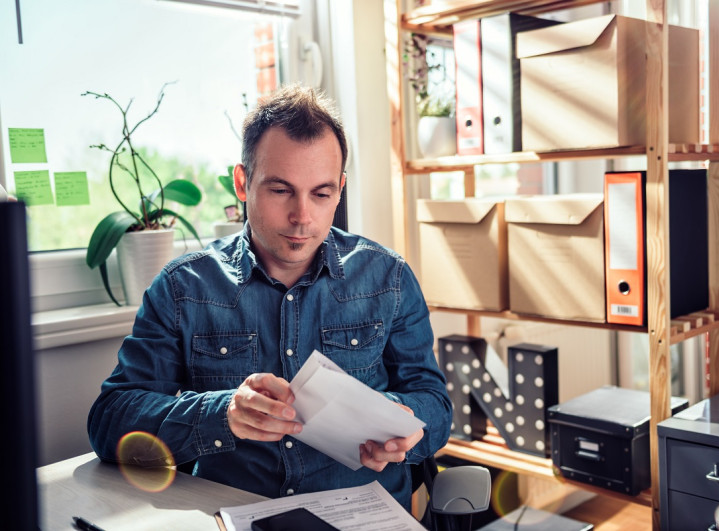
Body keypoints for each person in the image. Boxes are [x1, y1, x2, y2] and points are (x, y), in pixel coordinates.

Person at [87, 83, 452, 511]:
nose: (302, 216)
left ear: (340, 187)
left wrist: (401, 422)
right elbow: (110, 420)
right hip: (234, 515)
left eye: (322, 193)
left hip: (361, 514)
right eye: (280, 190)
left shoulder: (387, 277)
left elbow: (435, 405)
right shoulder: (183, 288)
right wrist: (223, 413)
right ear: (243, 183)